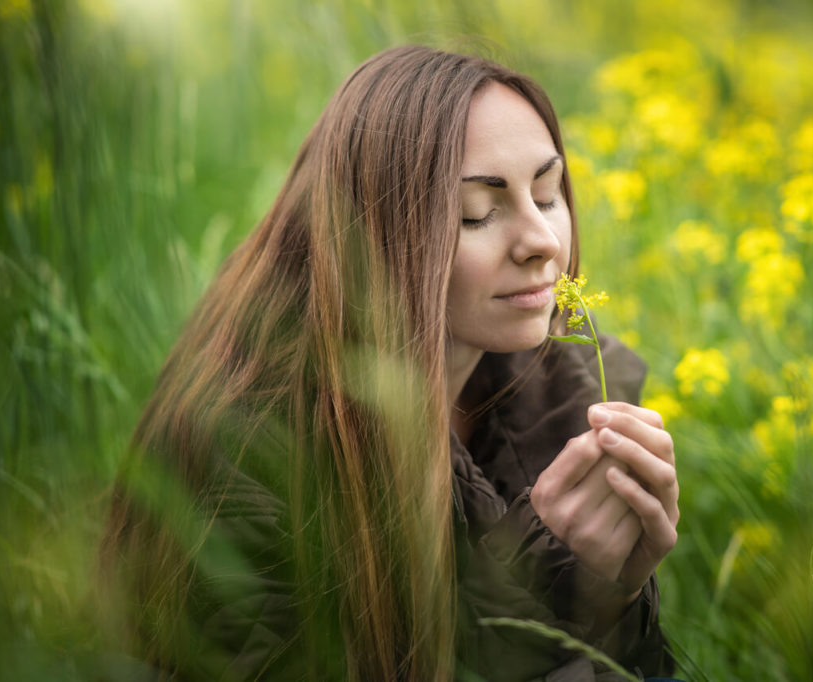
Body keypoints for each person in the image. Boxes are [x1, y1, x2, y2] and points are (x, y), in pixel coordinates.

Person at [101, 45, 679, 681]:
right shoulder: (250, 453)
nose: (542, 243)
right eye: (477, 214)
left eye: (546, 196)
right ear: (375, 235)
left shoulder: (564, 382)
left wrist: (614, 595)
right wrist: (544, 590)